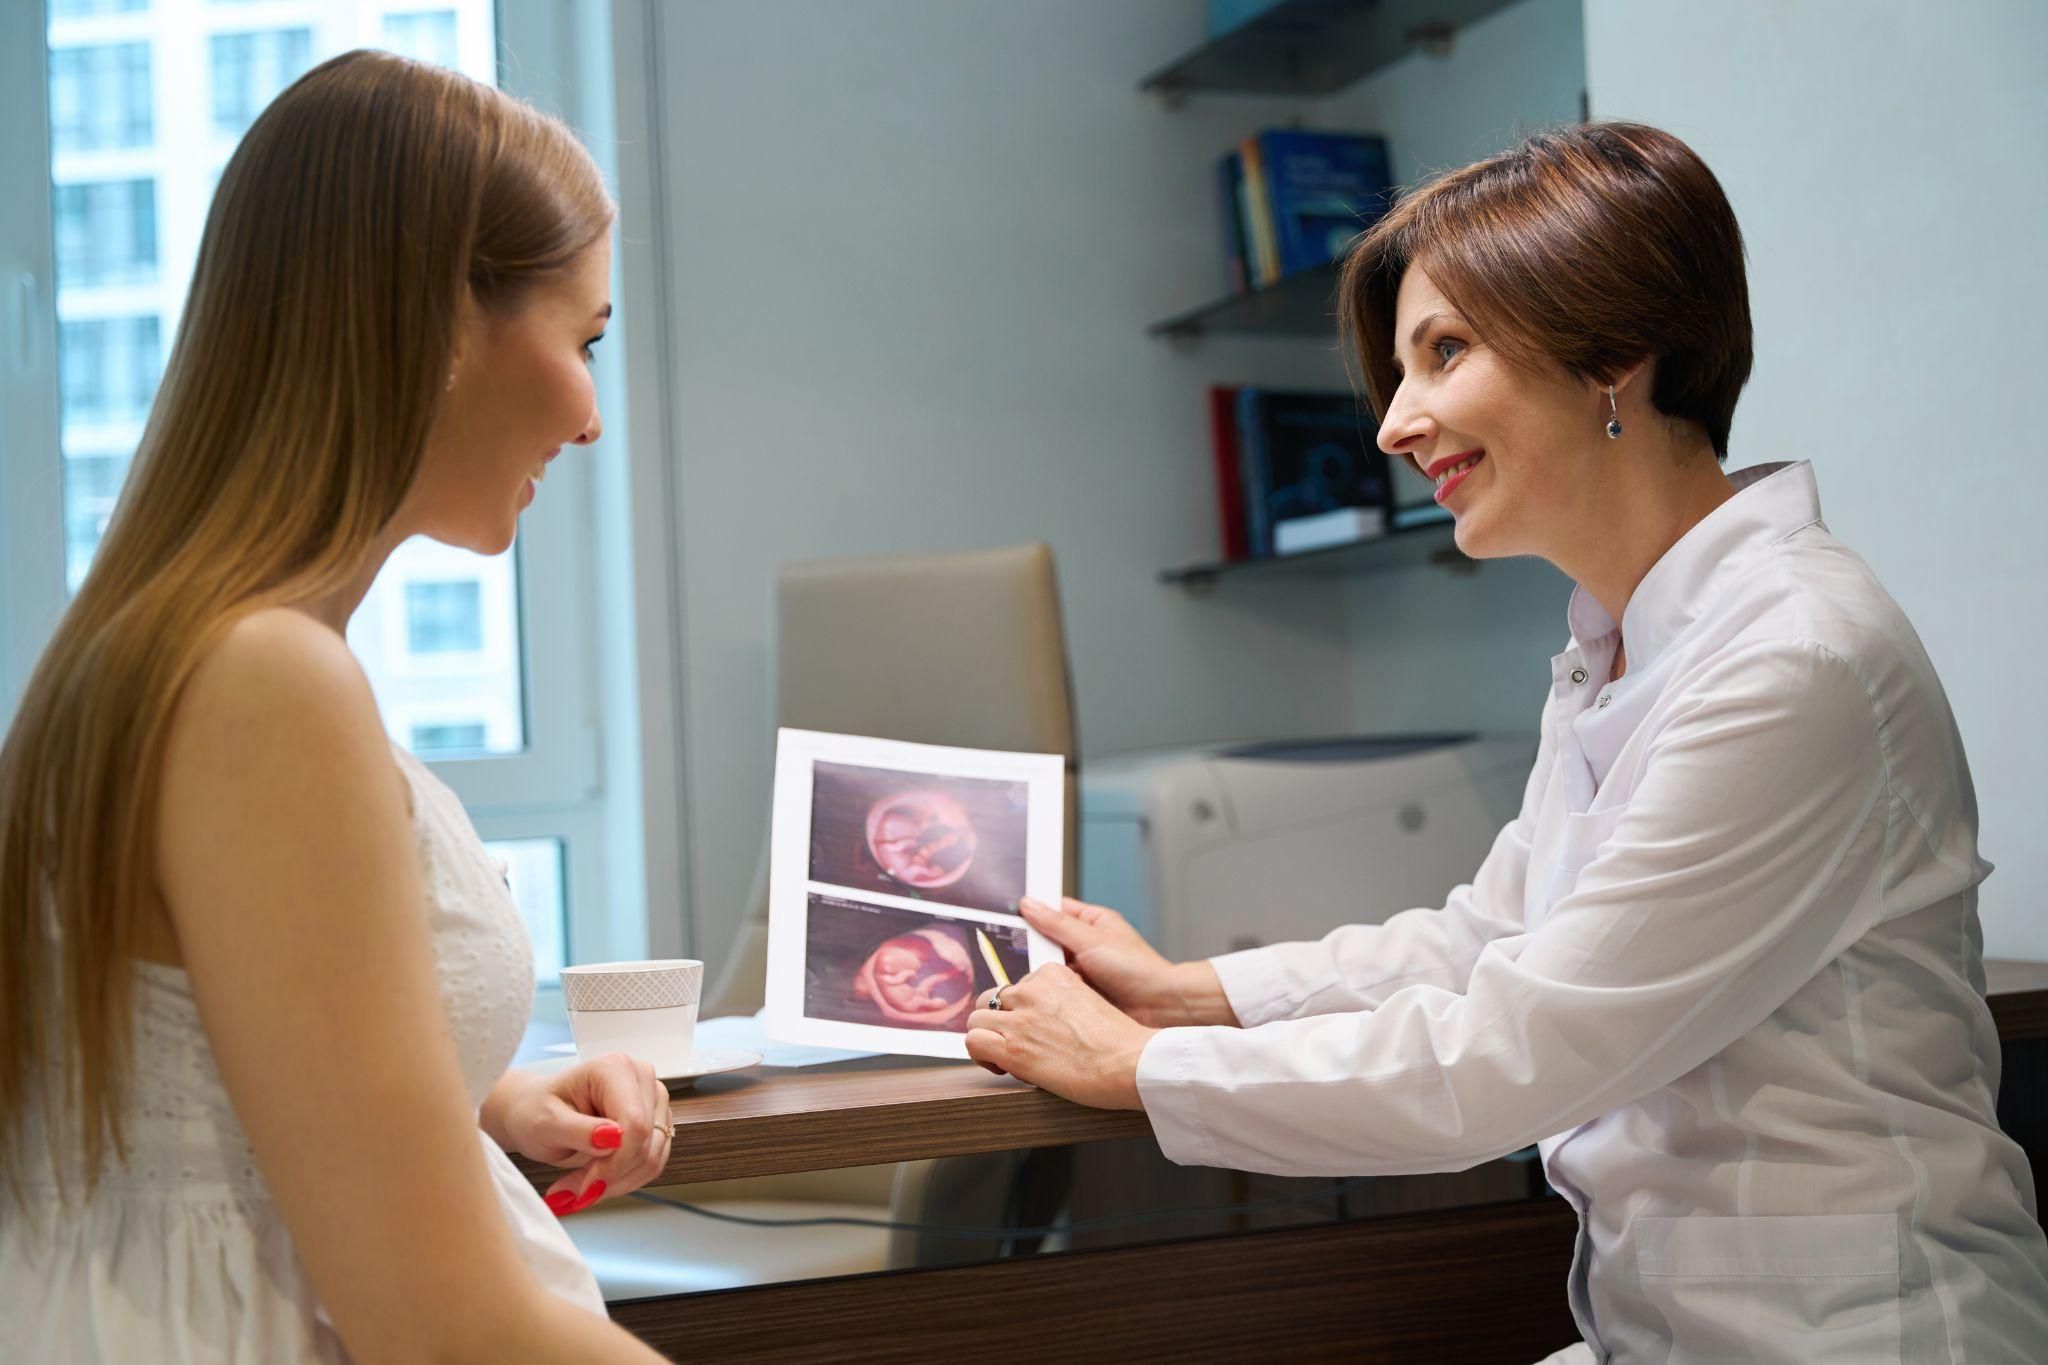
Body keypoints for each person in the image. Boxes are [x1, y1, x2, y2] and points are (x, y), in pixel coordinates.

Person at [965, 122, 2048, 1362]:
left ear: (1614, 354)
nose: (1392, 424)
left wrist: (1143, 1066)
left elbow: (1511, 1056)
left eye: (1442, 352)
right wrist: (1191, 993)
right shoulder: (1620, 640)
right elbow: (1491, 936)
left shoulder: (1791, 659)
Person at [0, 52, 670, 1363]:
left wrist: (477, 1100)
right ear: (436, 323)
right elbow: (444, 1327)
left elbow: (195, 1069)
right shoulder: (267, 684)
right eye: (582, 342)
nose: (590, 419)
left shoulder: (187, 646)